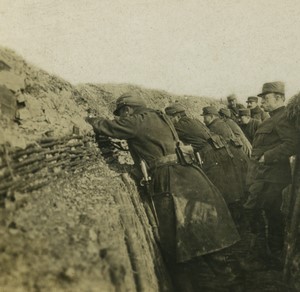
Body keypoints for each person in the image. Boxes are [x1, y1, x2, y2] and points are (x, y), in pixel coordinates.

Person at [86, 93, 242, 291]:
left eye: (121, 114)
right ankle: (232, 280)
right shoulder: (159, 116)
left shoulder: (138, 120)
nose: (121, 118)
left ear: (128, 109)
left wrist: (90, 120)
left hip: (171, 180)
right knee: (206, 231)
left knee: (181, 234)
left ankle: (211, 282)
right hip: (188, 174)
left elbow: (109, 128)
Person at [244, 81, 299, 268]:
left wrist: (267, 157)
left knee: (259, 210)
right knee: (269, 213)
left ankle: (267, 255)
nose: (262, 103)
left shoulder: (283, 117)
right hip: (264, 175)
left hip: (273, 177)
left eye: (265, 98)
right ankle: (269, 253)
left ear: (279, 98)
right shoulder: (270, 119)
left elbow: (291, 144)